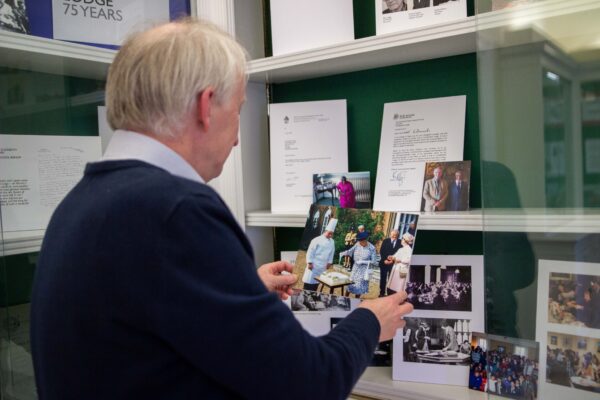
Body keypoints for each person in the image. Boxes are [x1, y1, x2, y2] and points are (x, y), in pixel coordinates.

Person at [30, 19, 414, 400]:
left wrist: (241, 289)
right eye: (239, 110)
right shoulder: (176, 210)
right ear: (206, 105)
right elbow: (309, 383)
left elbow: (141, 327)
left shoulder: (82, 201)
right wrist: (369, 322)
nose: (237, 138)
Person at [302, 219, 337, 291]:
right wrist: (309, 262)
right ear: (325, 231)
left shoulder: (332, 242)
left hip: (322, 266)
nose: (330, 235)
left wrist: (329, 262)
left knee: (317, 283)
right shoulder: (316, 240)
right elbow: (310, 251)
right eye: (329, 233)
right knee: (309, 283)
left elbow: (332, 252)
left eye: (332, 234)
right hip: (314, 265)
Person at [342, 231, 378, 298]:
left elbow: (374, 261)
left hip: (363, 270)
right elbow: (351, 250)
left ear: (365, 240)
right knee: (350, 283)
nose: (359, 243)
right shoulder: (357, 244)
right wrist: (345, 253)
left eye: (361, 241)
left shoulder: (372, 248)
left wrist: (363, 262)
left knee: (359, 287)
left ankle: (356, 301)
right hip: (355, 268)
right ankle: (345, 298)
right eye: (359, 241)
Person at [378, 229, 401, 297]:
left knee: (391, 280)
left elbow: (399, 253)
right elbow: (382, 251)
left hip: (393, 264)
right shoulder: (386, 241)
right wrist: (384, 260)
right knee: (383, 279)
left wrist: (392, 260)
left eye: (395, 235)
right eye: (393, 235)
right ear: (390, 234)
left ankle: (389, 294)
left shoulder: (400, 242)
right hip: (384, 263)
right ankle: (382, 293)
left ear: (398, 235)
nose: (394, 236)